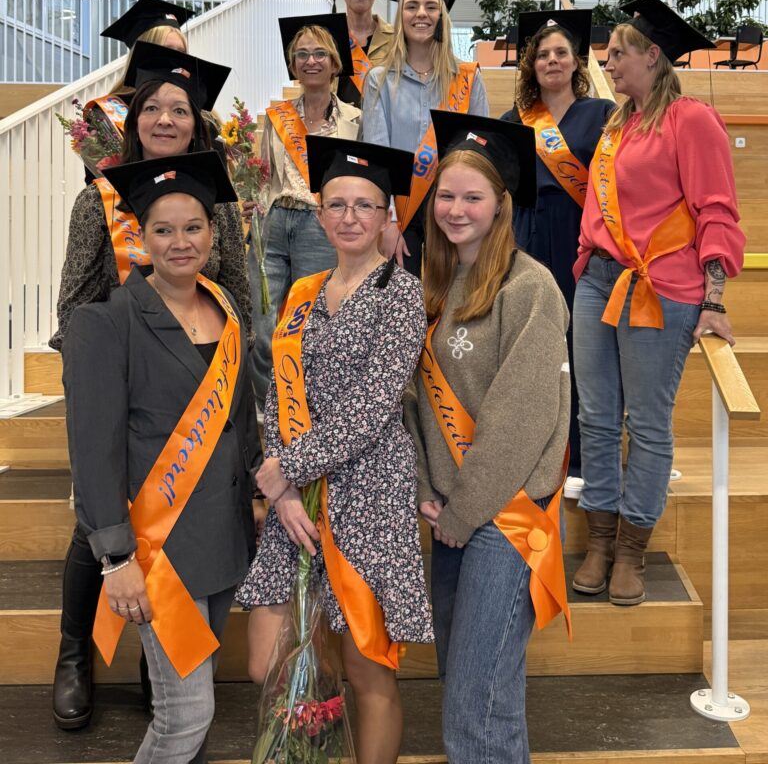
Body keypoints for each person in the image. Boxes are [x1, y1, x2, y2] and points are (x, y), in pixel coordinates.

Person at [50, 44, 252, 731]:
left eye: (180, 110)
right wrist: (99, 371)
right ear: (132, 119)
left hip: (199, 381)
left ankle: (159, 667)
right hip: (121, 384)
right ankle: (74, 652)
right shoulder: (97, 199)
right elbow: (74, 301)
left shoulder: (216, 198)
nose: (166, 119)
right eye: (153, 108)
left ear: (197, 123)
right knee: (99, 521)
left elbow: (238, 293)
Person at [238, 136, 433, 764]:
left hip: (368, 495)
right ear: (319, 215)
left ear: (386, 217)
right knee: (269, 660)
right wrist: (285, 490)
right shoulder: (302, 291)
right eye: (337, 205)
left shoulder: (401, 295)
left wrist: (283, 471)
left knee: (366, 665)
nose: (350, 217)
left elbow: (371, 411)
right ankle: (314, 751)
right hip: (295, 499)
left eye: (365, 205)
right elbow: (278, 393)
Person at [405, 110, 571, 764]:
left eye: (472, 197)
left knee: (475, 703)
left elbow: (520, 419)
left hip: (506, 517)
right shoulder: (436, 284)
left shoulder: (530, 288)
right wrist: (427, 486)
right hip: (455, 513)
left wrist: (463, 511)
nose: (455, 209)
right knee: (473, 685)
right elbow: (415, 399)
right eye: (445, 195)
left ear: (501, 204)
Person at [572, 0, 746, 606]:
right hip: (598, 282)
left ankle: (631, 550)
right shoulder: (618, 123)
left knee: (646, 422)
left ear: (653, 56)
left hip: (662, 288)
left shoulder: (690, 119)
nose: (608, 63)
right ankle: (599, 540)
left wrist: (714, 298)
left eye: (619, 53)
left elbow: (716, 209)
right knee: (595, 416)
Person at [502, 9, 615, 490]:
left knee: (582, 346)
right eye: (543, 54)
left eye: (561, 53)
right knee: (533, 342)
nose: (552, 60)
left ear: (576, 62)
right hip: (527, 233)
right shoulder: (513, 120)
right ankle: (534, 452)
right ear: (531, 65)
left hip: (581, 234)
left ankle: (582, 456)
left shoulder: (603, 114)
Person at [249, 14, 360, 408]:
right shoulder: (276, 117)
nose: (310, 61)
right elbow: (263, 175)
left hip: (319, 227)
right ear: (293, 65)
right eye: (301, 55)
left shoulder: (355, 121)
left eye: (319, 54)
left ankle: (309, 407)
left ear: (334, 63)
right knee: (262, 322)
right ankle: (267, 408)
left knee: (313, 325)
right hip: (275, 222)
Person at [362, 0, 489, 276]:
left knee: (454, 298)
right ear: (400, 15)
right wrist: (388, 221)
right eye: (412, 6)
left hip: (454, 210)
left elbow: (479, 155)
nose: (422, 14)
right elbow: (377, 156)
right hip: (402, 209)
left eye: (431, 7)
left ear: (442, 16)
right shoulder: (379, 80)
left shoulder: (467, 79)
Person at [86, 0, 196, 142]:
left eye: (181, 52)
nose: (176, 59)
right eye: (166, 50)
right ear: (142, 55)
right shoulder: (109, 112)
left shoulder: (194, 107)